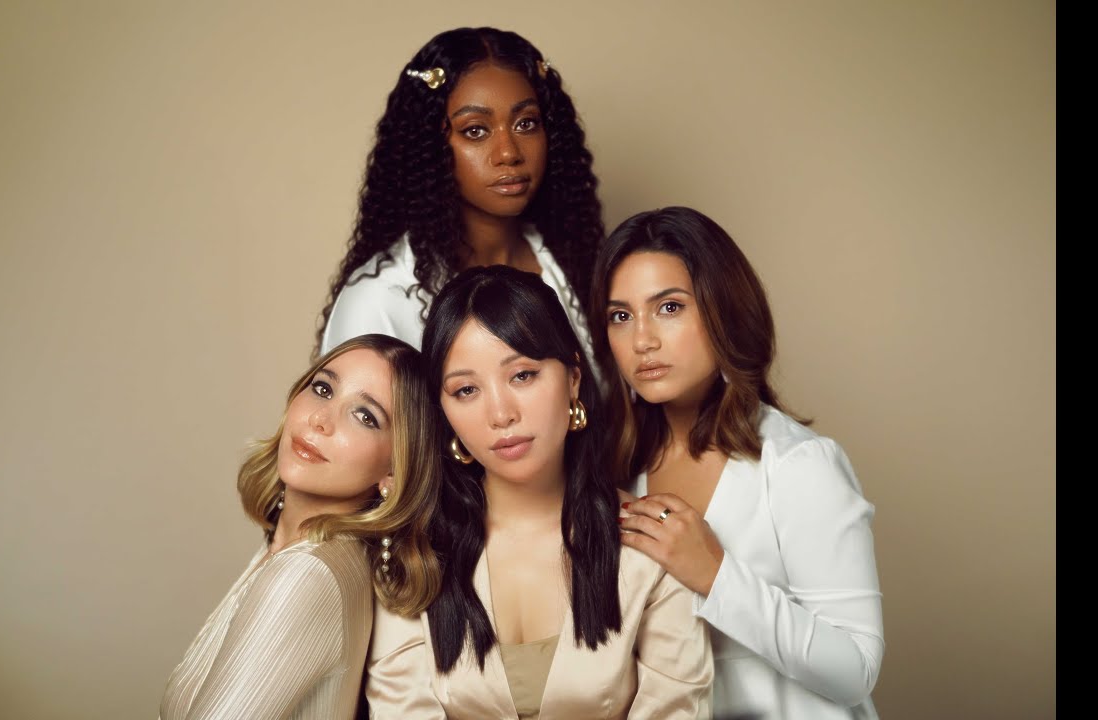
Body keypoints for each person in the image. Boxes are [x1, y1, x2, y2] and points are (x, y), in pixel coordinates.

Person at [365, 265, 712, 719]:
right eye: (466, 390)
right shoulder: (415, 546)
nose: (500, 414)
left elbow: (677, 708)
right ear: (443, 409)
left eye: (523, 375)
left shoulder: (650, 542)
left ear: (572, 379)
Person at [591, 206, 885, 720]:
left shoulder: (796, 464)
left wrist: (715, 573)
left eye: (669, 307)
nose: (642, 340)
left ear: (723, 310)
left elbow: (856, 669)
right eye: (621, 316)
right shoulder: (616, 469)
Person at [159, 334, 441, 719]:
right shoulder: (312, 552)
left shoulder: (305, 573)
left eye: (365, 416)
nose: (320, 420)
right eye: (322, 389)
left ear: (394, 469)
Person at [316, 26, 604, 378]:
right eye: (475, 130)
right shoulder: (380, 299)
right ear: (428, 148)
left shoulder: (573, 262)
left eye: (526, 123)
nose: (509, 153)